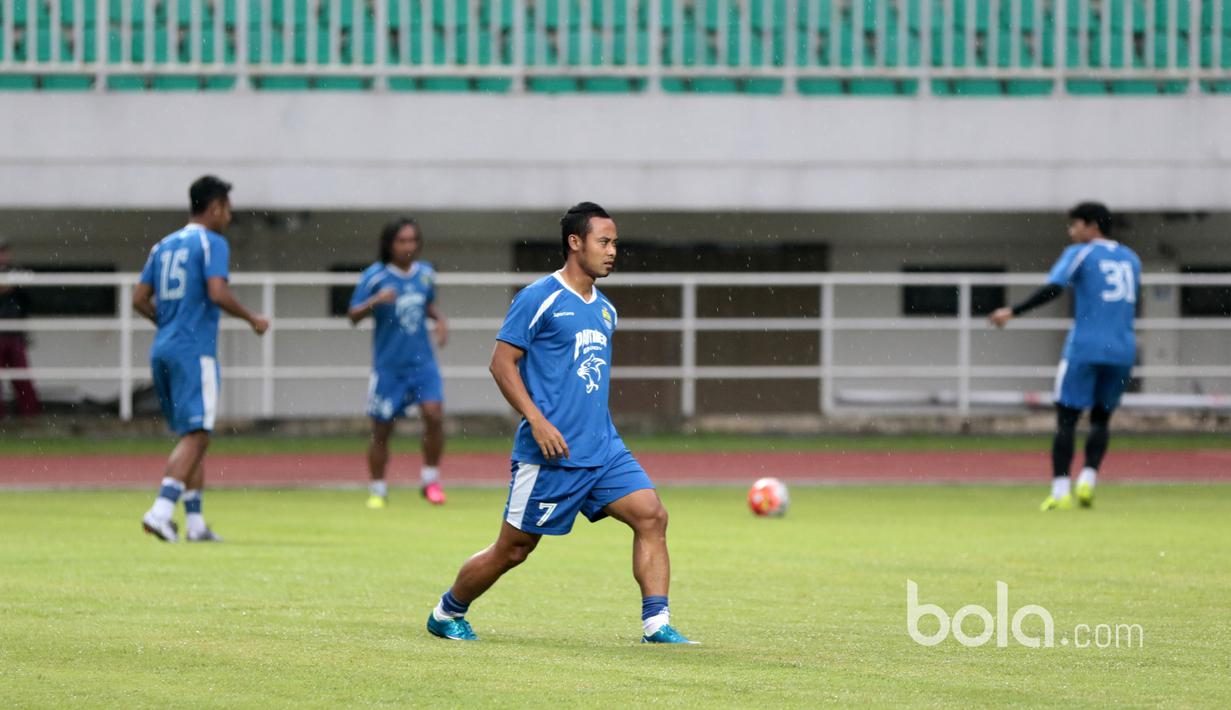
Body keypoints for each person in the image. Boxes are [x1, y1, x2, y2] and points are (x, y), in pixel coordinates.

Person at [425, 202, 695, 644]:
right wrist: (537, 420)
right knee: (514, 550)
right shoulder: (539, 297)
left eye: (615, 243)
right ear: (575, 242)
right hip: (550, 454)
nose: (612, 251)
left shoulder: (606, 310)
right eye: (603, 242)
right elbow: (501, 364)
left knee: (651, 516)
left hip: (603, 449)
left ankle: (657, 625)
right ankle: (447, 612)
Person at [133, 176, 269, 542]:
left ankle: (194, 524)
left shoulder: (163, 245)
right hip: (193, 351)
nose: (229, 217)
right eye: (227, 209)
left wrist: (169, 323)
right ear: (214, 208)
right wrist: (252, 318)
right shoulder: (212, 242)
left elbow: (138, 299)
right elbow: (217, 292)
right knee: (198, 436)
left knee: (191, 436)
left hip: (164, 348)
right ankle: (160, 512)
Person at [990, 202, 1141, 512]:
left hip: (1085, 348)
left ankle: (1060, 491)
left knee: (1067, 418)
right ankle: (1088, 478)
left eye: (1075, 225)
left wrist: (1014, 311)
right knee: (1101, 418)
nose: (1071, 231)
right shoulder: (1131, 258)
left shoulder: (1080, 253)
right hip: (1123, 350)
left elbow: (1054, 288)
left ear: (1092, 226)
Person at [348, 218, 449, 508]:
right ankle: (378, 490)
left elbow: (426, 303)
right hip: (389, 367)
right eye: (402, 241)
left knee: (434, 415)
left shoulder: (426, 274)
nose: (409, 246)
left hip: (423, 363)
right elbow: (353, 315)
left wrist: (439, 319)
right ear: (390, 244)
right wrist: (375, 301)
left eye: (413, 240)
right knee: (382, 429)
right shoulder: (375, 276)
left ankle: (430, 481)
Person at [0, 239, 41, 418]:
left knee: (22, 377)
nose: (2, 256)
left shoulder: (17, 271)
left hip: (15, 333)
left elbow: (29, 301)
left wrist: (14, 286)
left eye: (4, 251)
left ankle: (30, 415)